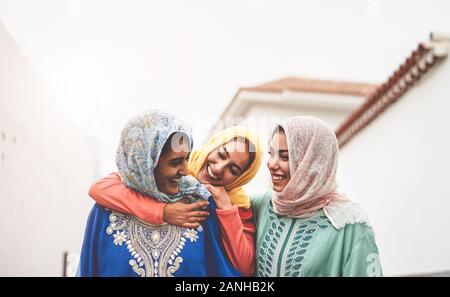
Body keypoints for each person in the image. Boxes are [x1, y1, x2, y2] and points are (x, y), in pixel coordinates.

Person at [77, 110, 240, 277]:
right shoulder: (104, 212)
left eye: (187, 159)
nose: (185, 170)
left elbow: (222, 270)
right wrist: (161, 212)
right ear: (145, 164)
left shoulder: (199, 206)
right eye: (175, 162)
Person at [251, 116, 383, 277]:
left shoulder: (349, 223)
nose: (272, 164)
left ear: (313, 162)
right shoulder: (264, 205)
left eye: (285, 157)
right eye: (271, 154)